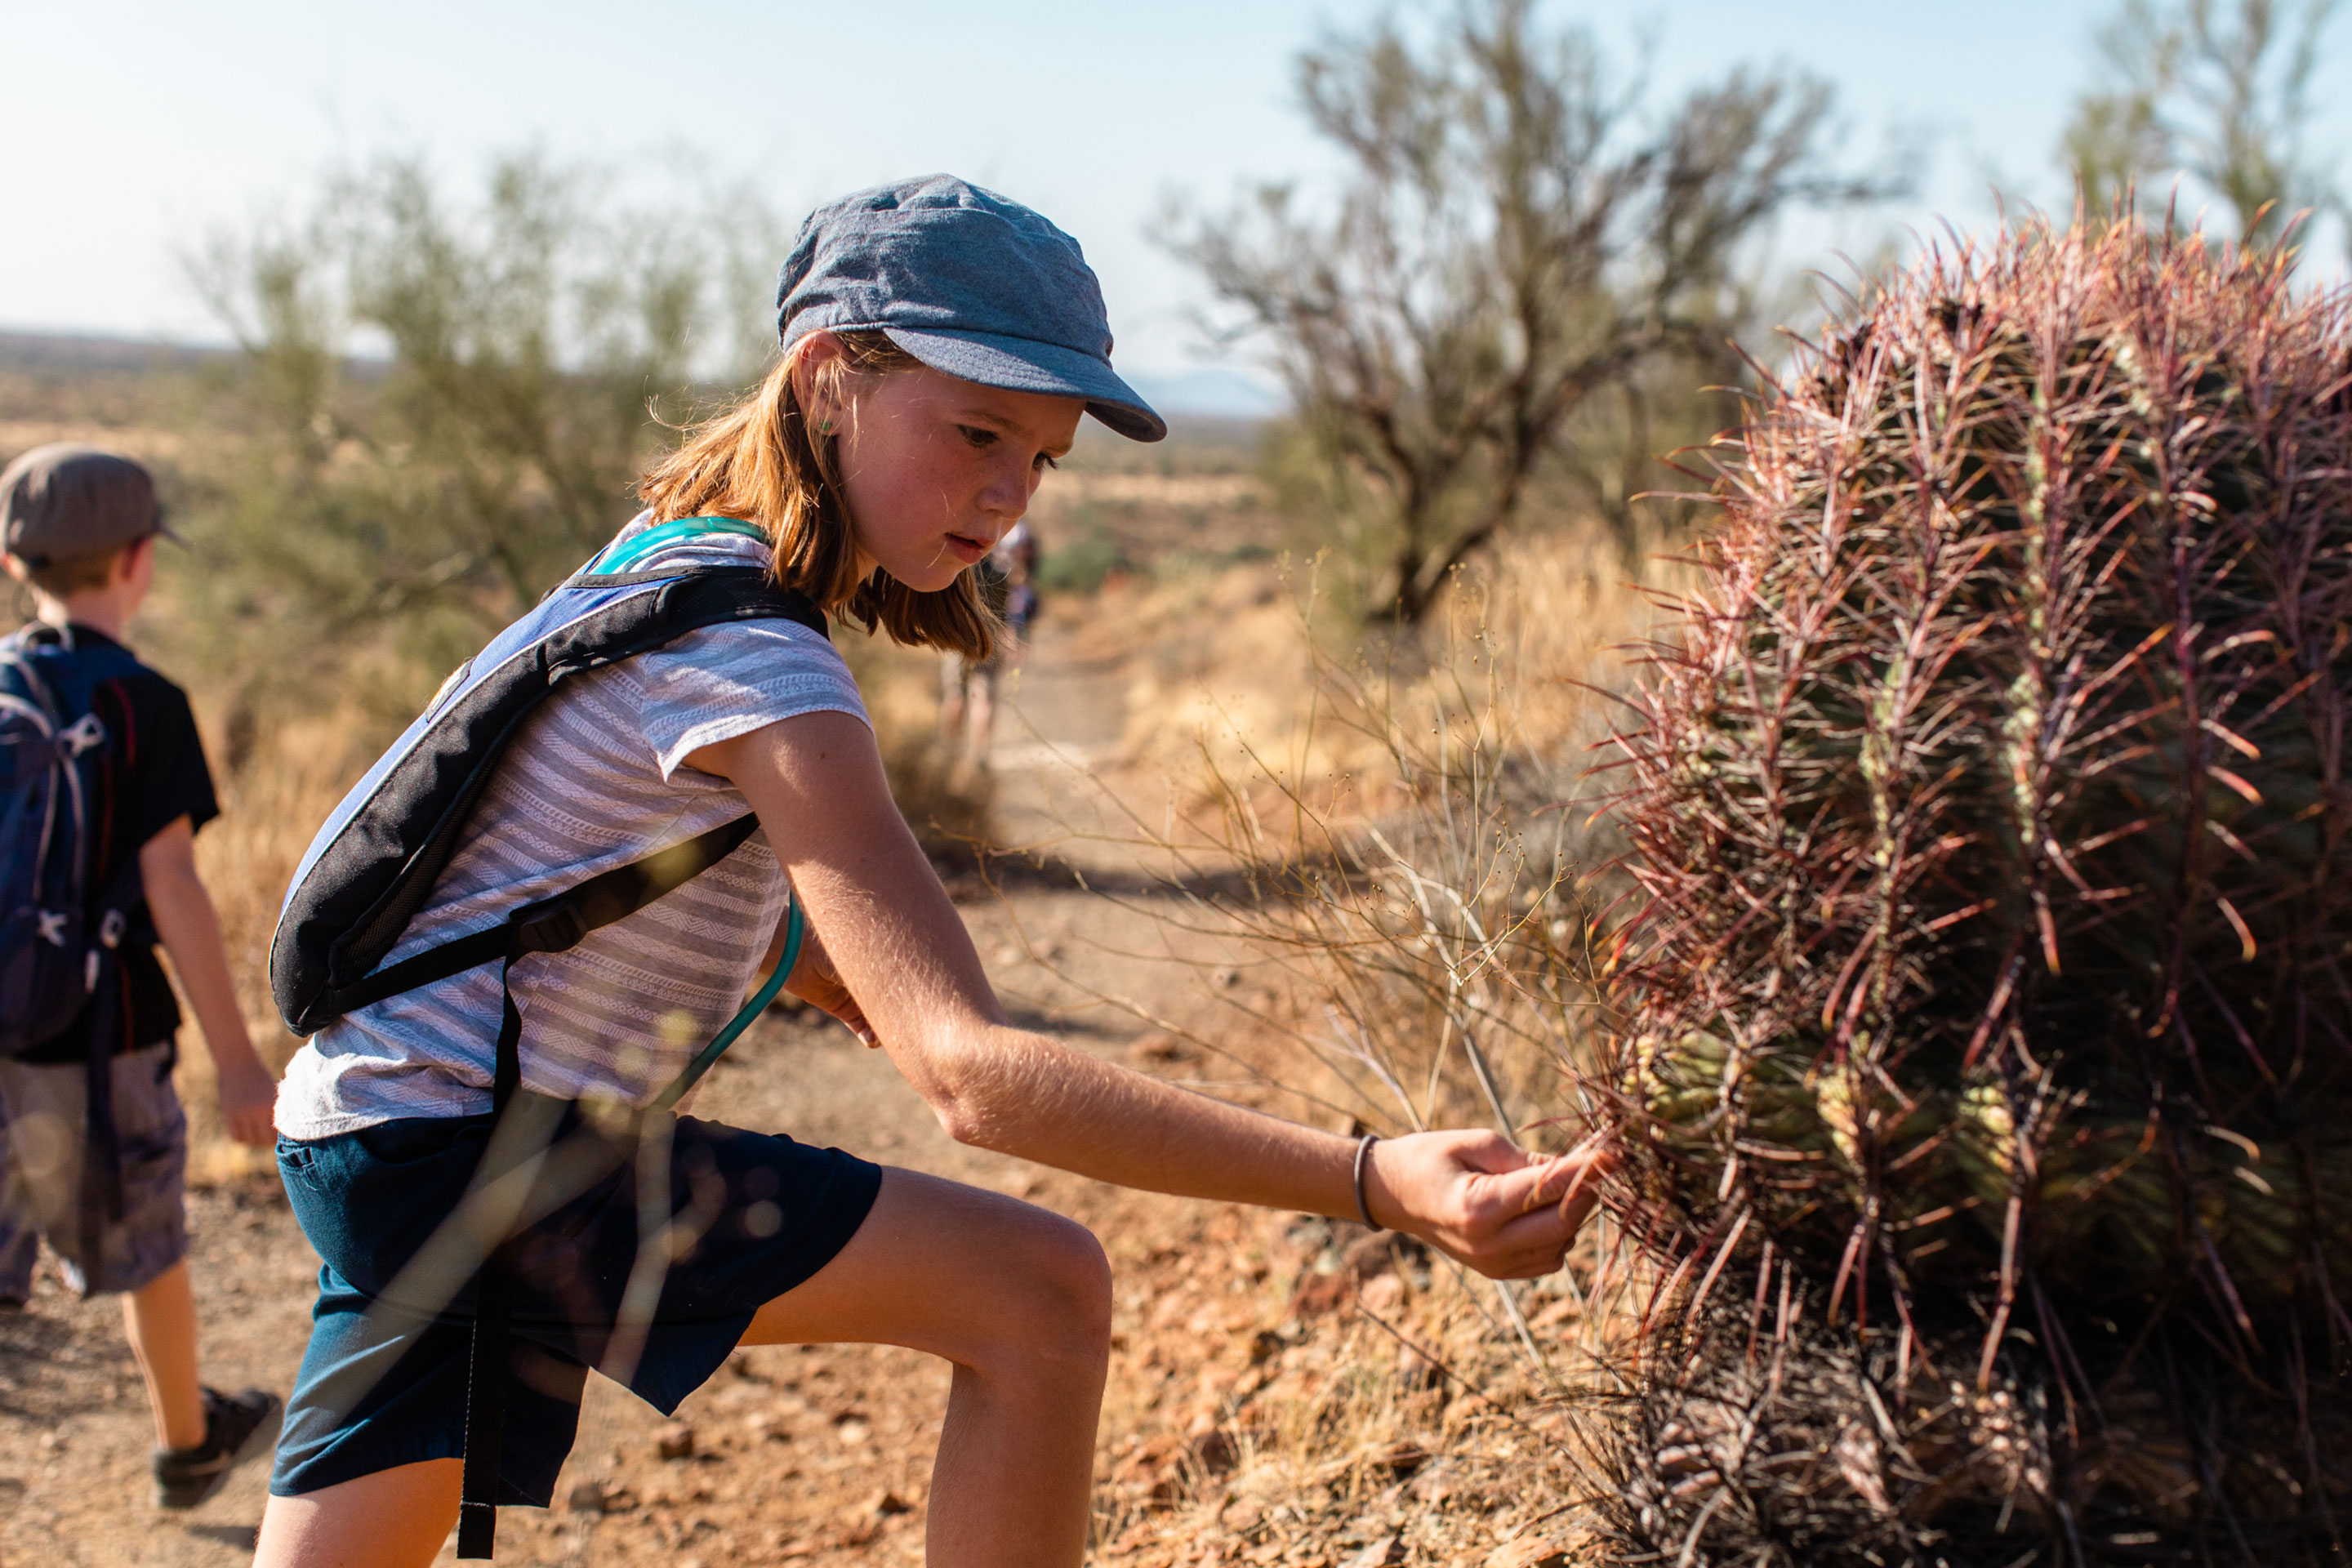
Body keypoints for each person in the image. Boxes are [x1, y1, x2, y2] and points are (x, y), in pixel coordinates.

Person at [255, 177, 1606, 1568]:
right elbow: (969, 1077)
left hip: (370, 1125)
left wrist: (818, 964)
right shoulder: (758, 661)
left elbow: (583, 866)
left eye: (1043, 459)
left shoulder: (660, 569)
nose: (1009, 495)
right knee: (1038, 1291)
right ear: (829, 375)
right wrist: (1379, 1179)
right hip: (475, 1147)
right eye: (976, 432)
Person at [0, 444, 282, 1509]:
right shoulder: (142, 704)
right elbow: (173, 887)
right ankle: (185, 1442)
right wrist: (241, 1068)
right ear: (137, 561)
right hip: (101, 1040)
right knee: (143, 1243)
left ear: (13, 560)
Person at [938, 517, 1038, 764]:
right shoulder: (1009, 573)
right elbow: (1020, 608)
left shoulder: (964, 560)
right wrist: (1017, 638)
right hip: (991, 639)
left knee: (955, 695)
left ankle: (949, 755)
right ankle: (980, 759)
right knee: (984, 697)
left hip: (958, 636)